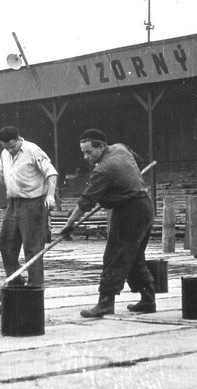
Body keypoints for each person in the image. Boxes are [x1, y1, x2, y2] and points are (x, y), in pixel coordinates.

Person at [60, 129, 155, 317]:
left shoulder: (102, 169)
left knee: (114, 256)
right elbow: (139, 163)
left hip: (130, 212)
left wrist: (69, 224)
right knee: (134, 256)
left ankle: (105, 304)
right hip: (145, 206)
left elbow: (86, 201)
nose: (86, 157)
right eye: (83, 152)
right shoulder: (121, 148)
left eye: (89, 152)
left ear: (101, 146)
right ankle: (148, 301)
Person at [0, 126, 57, 287]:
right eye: (6, 147)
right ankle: (15, 280)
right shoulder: (4, 154)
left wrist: (50, 195)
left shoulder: (33, 150)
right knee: (5, 243)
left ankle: (35, 286)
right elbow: (1, 178)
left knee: (32, 248)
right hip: (13, 204)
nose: (10, 150)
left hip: (33, 204)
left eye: (13, 146)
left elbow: (51, 173)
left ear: (19, 139)